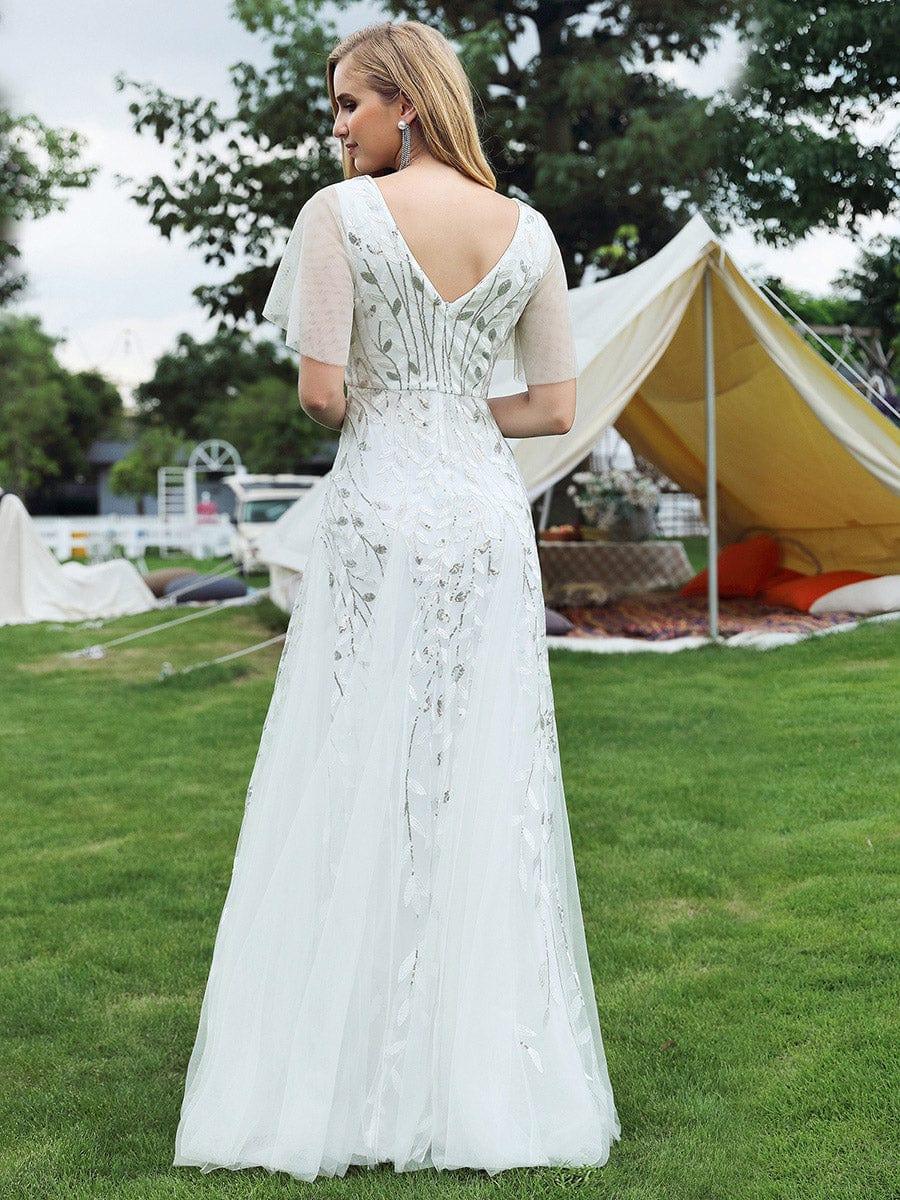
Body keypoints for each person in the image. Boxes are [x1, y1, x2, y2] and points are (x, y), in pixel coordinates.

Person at [172, 19, 620, 1182]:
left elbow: (323, 394)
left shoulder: (340, 217)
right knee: (479, 774)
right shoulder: (528, 230)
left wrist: (395, 400)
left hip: (380, 507)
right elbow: (554, 407)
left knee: (356, 760)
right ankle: (477, 1076)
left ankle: (351, 1057)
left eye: (348, 106)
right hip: (482, 516)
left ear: (406, 102)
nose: (337, 128)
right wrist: (456, 406)